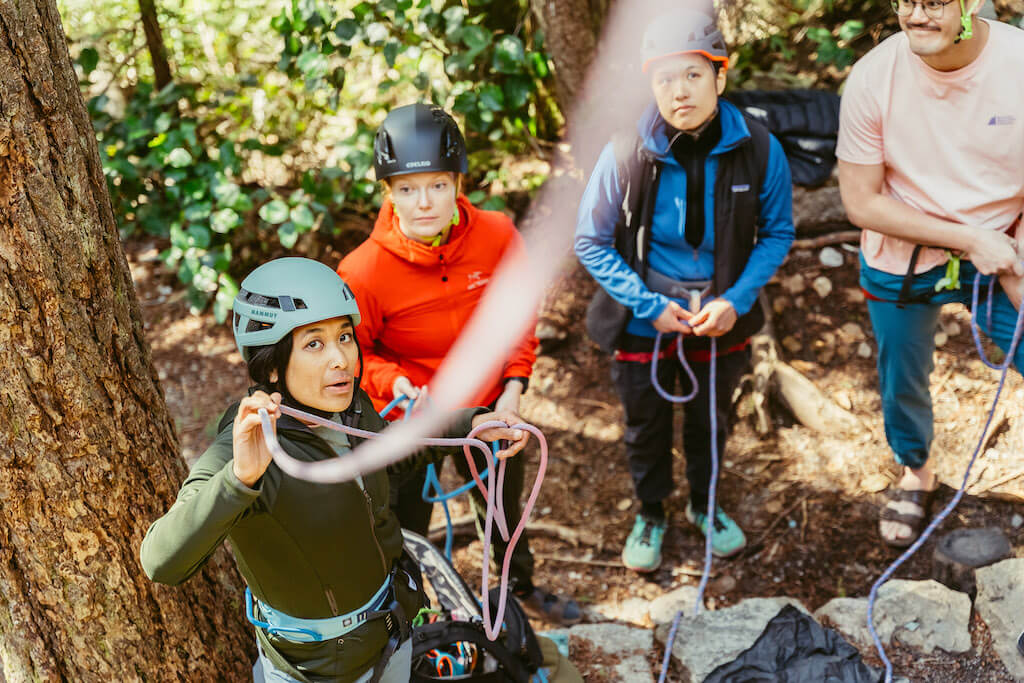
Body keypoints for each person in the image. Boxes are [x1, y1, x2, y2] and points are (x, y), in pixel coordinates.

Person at [140, 257, 528, 682]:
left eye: (345, 336)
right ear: (271, 365)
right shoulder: (250, 446)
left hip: (390, 635)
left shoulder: (351, 408)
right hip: (315, 671)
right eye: (313, 344)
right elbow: (161, 561)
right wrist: (239, 479)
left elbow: (388, 454)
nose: (341, 358)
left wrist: (468, 424)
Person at [336, 103, 581, 625]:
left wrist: (514, 387)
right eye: (407, 188)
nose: (423, 203)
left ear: (457, 183)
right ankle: (411, 612)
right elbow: (354, 357)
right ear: (387, 192)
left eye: (437, 186)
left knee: (502, 509)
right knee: (406, 524)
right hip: (410, 418)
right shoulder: (363, 270)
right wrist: (395, 381)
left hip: (489, 406)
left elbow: (516, 319)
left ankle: (518, 589)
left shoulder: (496, 236)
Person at [574, 8, 795, 572]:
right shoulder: (626, 149)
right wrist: (649, 305)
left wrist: (737, 300)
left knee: (711, 417)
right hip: (644, 315)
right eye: (664, 78)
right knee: (645, 421)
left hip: (720, 313)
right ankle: (651, 511)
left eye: (693, 74)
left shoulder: (760, 148)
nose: (679, 90)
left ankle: (706, 504)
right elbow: (591, 240)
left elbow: (776, 232)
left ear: (720, 76)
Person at [837, 0, 1024, 547]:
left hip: (1004, 243)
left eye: (935, 1)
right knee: (902, 375)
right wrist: (969, 239)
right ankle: (916, 468)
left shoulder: (1018, 63)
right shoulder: (875, 77)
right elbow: (860, 201)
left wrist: (1013, 258)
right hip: (907, 250)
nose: (916, 14)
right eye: (906, 0)